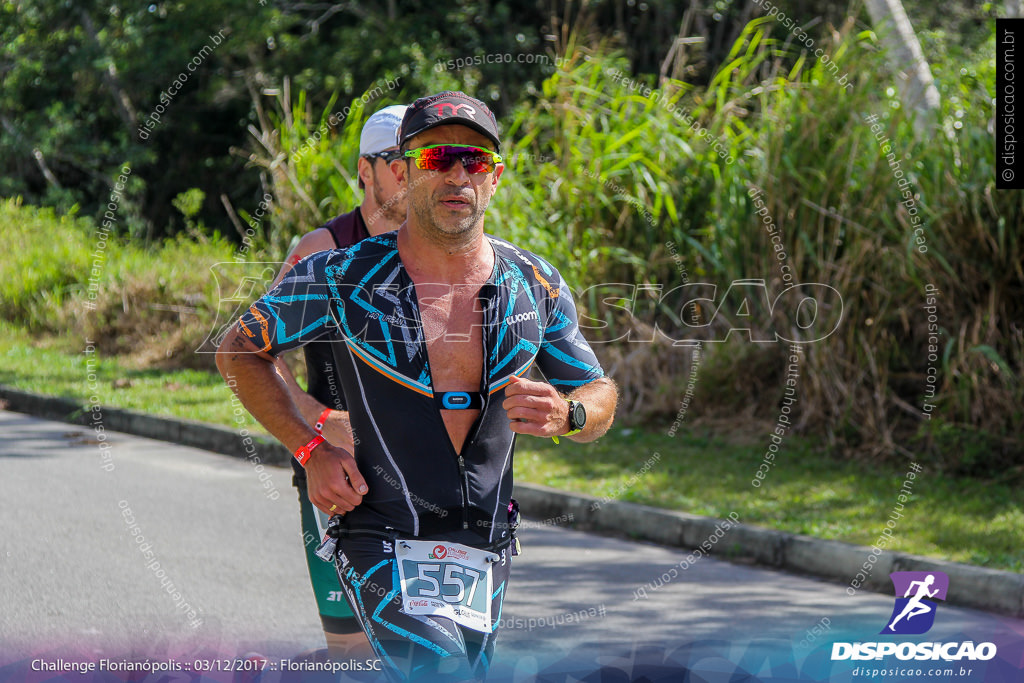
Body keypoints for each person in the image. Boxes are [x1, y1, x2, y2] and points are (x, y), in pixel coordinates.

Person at [217, 91, 618, 681]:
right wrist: (310, 449)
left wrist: (570, 414)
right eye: (438, 158)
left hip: (484, 538)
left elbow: (598, 391)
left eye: (475, 161)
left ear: (495, 178)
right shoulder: (341, 275)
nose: (458, 174)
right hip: (377, 525)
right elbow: (239, 350)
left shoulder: (533, 282)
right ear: (403, 172)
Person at [267, 103, 409, 659]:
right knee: (352, 651)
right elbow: (255, 352)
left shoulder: (452, 250)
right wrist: (317, 420)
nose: (409, 174)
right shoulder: (321, 252)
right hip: (339, 475)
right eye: (394, 160)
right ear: (364, 172)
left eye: (421, 160)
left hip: (430, 481)